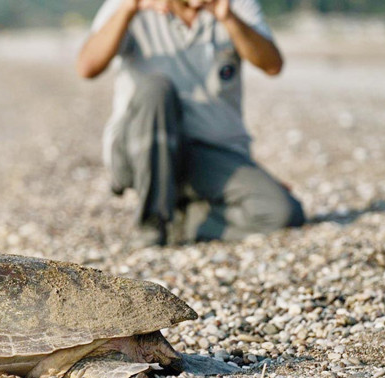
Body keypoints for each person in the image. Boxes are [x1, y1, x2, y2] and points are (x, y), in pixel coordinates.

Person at [77, 0, 305, 246]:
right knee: (156, 88)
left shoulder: (237, 5)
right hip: (140, 148)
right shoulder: (128, 3)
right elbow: (86, 67)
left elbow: (272, 65)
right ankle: (152, 226)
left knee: (281, 210)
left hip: (207, 155)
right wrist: (129, 8)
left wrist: (228, 18)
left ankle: (185, 221)